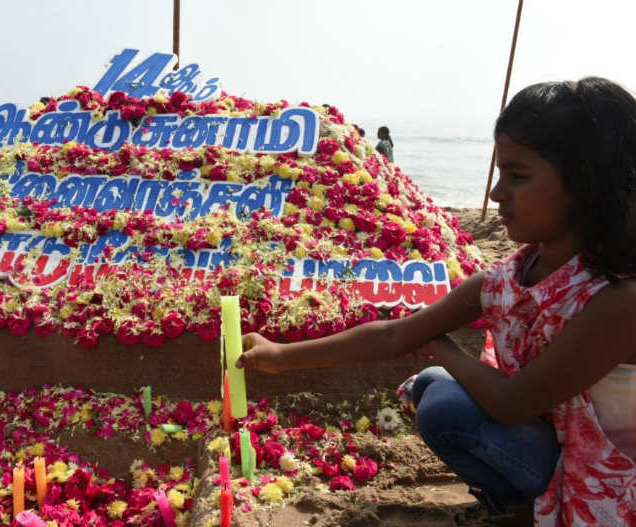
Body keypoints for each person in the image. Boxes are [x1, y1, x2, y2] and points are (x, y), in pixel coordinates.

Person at [238, 78, 636, 525]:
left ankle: (538, 511)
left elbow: (514, 404)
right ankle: (523, 507)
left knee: (448, 403)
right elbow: (396, 332)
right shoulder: (510, 277)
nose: (497, 193)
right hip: (553, 447)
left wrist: (443, 348)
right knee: (434, 386)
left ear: (586, 183)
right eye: (499, 173)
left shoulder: (619, 298)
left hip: (609, 481)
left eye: (518, 176)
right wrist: (278, 356)